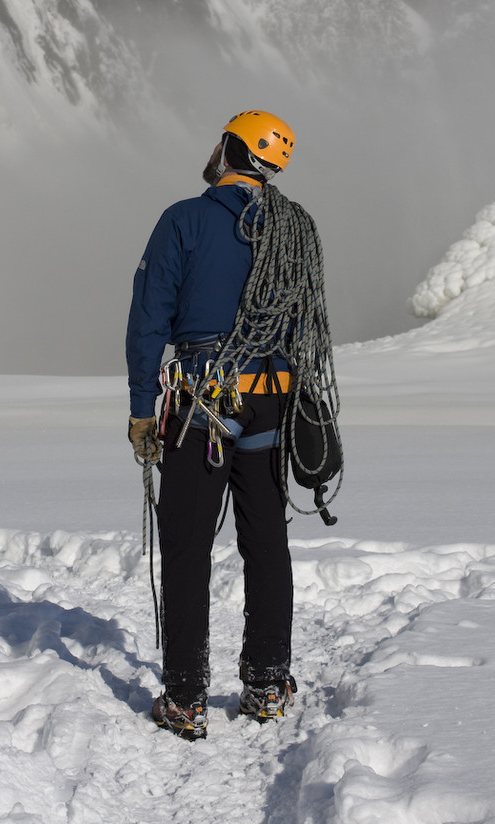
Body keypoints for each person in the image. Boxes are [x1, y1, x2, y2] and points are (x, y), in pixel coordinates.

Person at [126, 109, 337, 740]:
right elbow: (304, 326)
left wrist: (142, 410)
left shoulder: (183, 221)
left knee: (188, 544)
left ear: (231, 148)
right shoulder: (294, 230)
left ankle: (187, 695)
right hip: (272, 399)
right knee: (266, 540)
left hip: (202, 403)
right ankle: (268, 681)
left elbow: (148, 323)